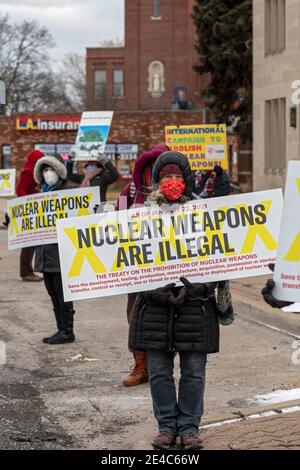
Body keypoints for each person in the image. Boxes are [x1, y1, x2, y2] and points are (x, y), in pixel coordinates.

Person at [128, 151, 234, 450]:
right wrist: (150, 290)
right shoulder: (140, 217)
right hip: (155, 308)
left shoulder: (205, 213)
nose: (172, 182)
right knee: (160, 373)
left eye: (177, 177)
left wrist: (202, 287)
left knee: (193, 373)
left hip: (195, 308)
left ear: (186, 180)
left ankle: (189, 428)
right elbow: (129, 264)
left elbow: (219, 254)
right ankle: (166, 428)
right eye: (166, 177)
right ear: (157, 181)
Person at [116, 144, 169, 387]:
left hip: (169, 268)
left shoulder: (179, 192)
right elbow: (113, 225)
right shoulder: (129, 192)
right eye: (149, 168)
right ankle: (141, 364)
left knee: (168, 318)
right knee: (135, 315)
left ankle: (162, 364)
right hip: (137, 267)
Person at [33, 154, 76, 345]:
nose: (48, 172)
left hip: (61, 254)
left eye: (51, 168)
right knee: (52, 293)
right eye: (44, 169)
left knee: (62, 294)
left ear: (59, 170)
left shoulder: (69, 192)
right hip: (44, 253)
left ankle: (67, 331)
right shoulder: (41, 191)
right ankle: (60, 329)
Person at [16, 149, 45, 282]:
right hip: (31, 210)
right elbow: (20, 188)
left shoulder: (34, 170)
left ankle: (28, 271)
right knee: (29, 242)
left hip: (35, 209)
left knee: (32, 241)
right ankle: (26, 272)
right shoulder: (29, 171)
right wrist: (27, 203)